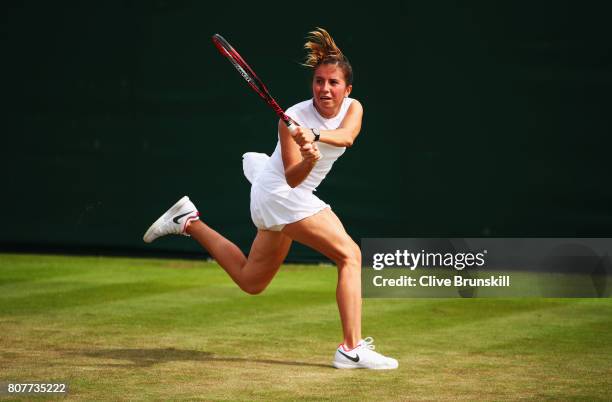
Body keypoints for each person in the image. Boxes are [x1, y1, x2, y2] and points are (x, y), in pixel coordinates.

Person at [143, 28, 398, 370]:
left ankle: (188, 221)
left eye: (333, 83)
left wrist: (316, 137)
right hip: (280, 193)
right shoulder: (292, 118)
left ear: (347, 89)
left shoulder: (354, 108)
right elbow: (292, 178)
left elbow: (348, 136)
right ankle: (350, 348)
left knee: (251, 281)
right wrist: (308, 157)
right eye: (319, 81)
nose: (324, 88)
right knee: (351, 255)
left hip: (290, 195)